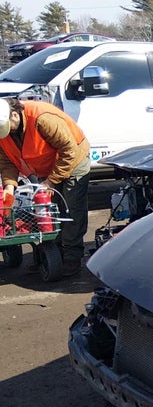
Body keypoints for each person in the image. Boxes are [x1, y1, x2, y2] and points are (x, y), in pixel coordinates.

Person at [0, 98, 90, 276]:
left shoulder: (42, 118)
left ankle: (72, 258)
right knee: (47, 212)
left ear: (14, 115)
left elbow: (69, 150)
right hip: (45, 166)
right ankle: (53, 253)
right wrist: (9, 187)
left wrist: (51, 181)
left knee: (71, 210)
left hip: (73, 161)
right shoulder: (5, 132)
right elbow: (7, 163)